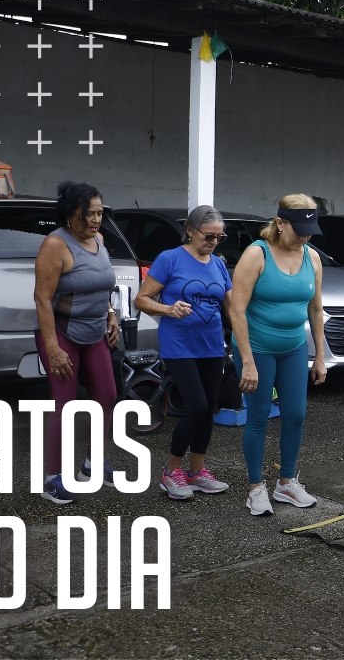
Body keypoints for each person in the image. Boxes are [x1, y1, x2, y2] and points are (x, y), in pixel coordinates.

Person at [229, 194, 328, 516]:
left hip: (293, 347)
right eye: (299, 229)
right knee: (258, 417)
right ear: (281, 223)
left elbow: (316, 309)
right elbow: (237, 310)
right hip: (257, 348)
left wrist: (320, 355)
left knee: (296, 414)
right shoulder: (256, 255)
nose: (305, 236)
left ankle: (286, 482)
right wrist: (247, 363)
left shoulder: (312, 257)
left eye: (310, 230)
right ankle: (255, 487)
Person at [134, 205, 233, 500]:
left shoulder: (218, 265)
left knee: (210, 407)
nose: (214, 242)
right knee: (196, 406)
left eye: (219, 237)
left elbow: (231, 307)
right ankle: (172, 471)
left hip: (212, 345)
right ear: (190, 230)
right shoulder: (170, 259)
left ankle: (196, 472)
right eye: (208, 236)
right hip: (179, 346)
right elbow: (142, 299)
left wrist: (246, 335)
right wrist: (168, 309)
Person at [32, 182, 120, 504]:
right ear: (72, 215)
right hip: (61, 333)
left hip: (95, 332)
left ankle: (91, 464)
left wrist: (111, 314)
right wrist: (52, 348)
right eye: (89, 214)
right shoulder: (55, 245)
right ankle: (51, 478)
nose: (96, 220)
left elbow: (100, 285)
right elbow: (42, 299)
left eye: (99, 213)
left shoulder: (99, 240)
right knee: (64, 403)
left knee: (107, 395)